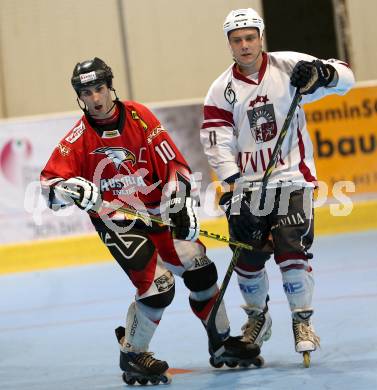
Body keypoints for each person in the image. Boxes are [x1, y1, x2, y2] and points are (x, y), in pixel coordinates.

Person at [40, 57, 260, 385]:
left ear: (110, 86)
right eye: (87, 92)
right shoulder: (77, 139)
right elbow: (48, 188)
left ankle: (222, 342)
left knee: (201, 269)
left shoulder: (139, 116)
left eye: (100, 88)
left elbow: (175, 165)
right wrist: (70, 189)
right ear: (79, 97)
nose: (96, 98)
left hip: (159, 213)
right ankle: (133, 353)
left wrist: (183, 204)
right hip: (119, 222)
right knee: (159, 289)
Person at [200, 8, 355, 366]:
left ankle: (303, 322)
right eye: (237, 40)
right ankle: (258, 318)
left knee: (291, 252)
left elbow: (345, 76)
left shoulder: (289, 66)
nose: (244, 45)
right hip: (247, 186)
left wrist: (321, 73)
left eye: (250, 37)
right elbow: (217, 142)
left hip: (292, 180)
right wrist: (234, 184)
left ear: (261, 37)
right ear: (229, 44)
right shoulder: (220, 89)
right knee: (248, 260)